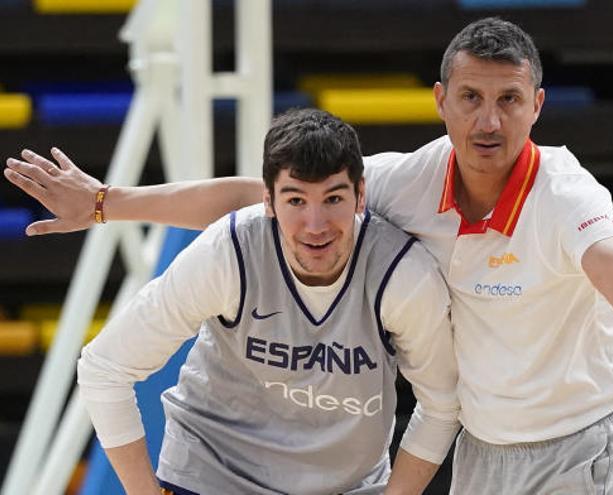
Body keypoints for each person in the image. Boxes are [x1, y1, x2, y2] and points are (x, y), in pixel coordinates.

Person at [5, 17, 613, 494]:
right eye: (472, 97)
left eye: (509, 99)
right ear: (442, 100)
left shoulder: (563, 193)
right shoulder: (400, 183)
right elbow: (266, 194)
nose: (490, 118)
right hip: (489, 449)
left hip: (592, 436)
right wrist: (108, 203)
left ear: (536, 105)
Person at [14, 109, 460, 495]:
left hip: (347, 484)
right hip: (212, 475)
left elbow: (442, 405)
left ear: (361, 196)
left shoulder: (402, 274)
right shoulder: (229, 252)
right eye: (296, 200)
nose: (316, 224)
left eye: (334, 199)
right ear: (267, 200)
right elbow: (104, 367)